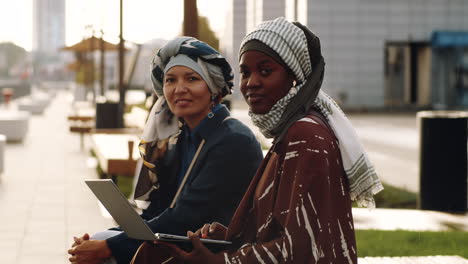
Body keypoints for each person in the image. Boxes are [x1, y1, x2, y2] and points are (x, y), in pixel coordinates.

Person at [147, 17, 384, 264]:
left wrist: (220, 261)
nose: (251, 83)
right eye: (246, 72)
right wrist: (230, 236)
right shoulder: (292, 131)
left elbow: (302, 249)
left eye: (266, 71)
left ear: (295, 76)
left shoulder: (305, 136)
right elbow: (285, 229)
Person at [67, 36, 263, 264]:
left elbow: (186, 218)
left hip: (216, 253)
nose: (179, 89)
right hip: (181, 244)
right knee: (99, 242)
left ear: (212, 87)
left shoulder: (232, 140)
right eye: (170, 80)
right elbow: (158, 209)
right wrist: (105, 239)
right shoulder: (181, 137)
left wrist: (108, 246)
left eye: (191, 78)